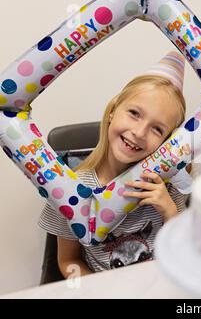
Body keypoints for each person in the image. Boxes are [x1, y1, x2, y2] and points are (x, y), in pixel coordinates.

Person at [39, 51, 189, 277]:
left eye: (157, 129)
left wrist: (169, 212)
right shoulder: (69, 189)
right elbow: (68, 260)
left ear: (167, 141)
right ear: (113, 111)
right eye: (134, 113)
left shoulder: (168, 189)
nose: (139, 132)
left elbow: (187, 258)